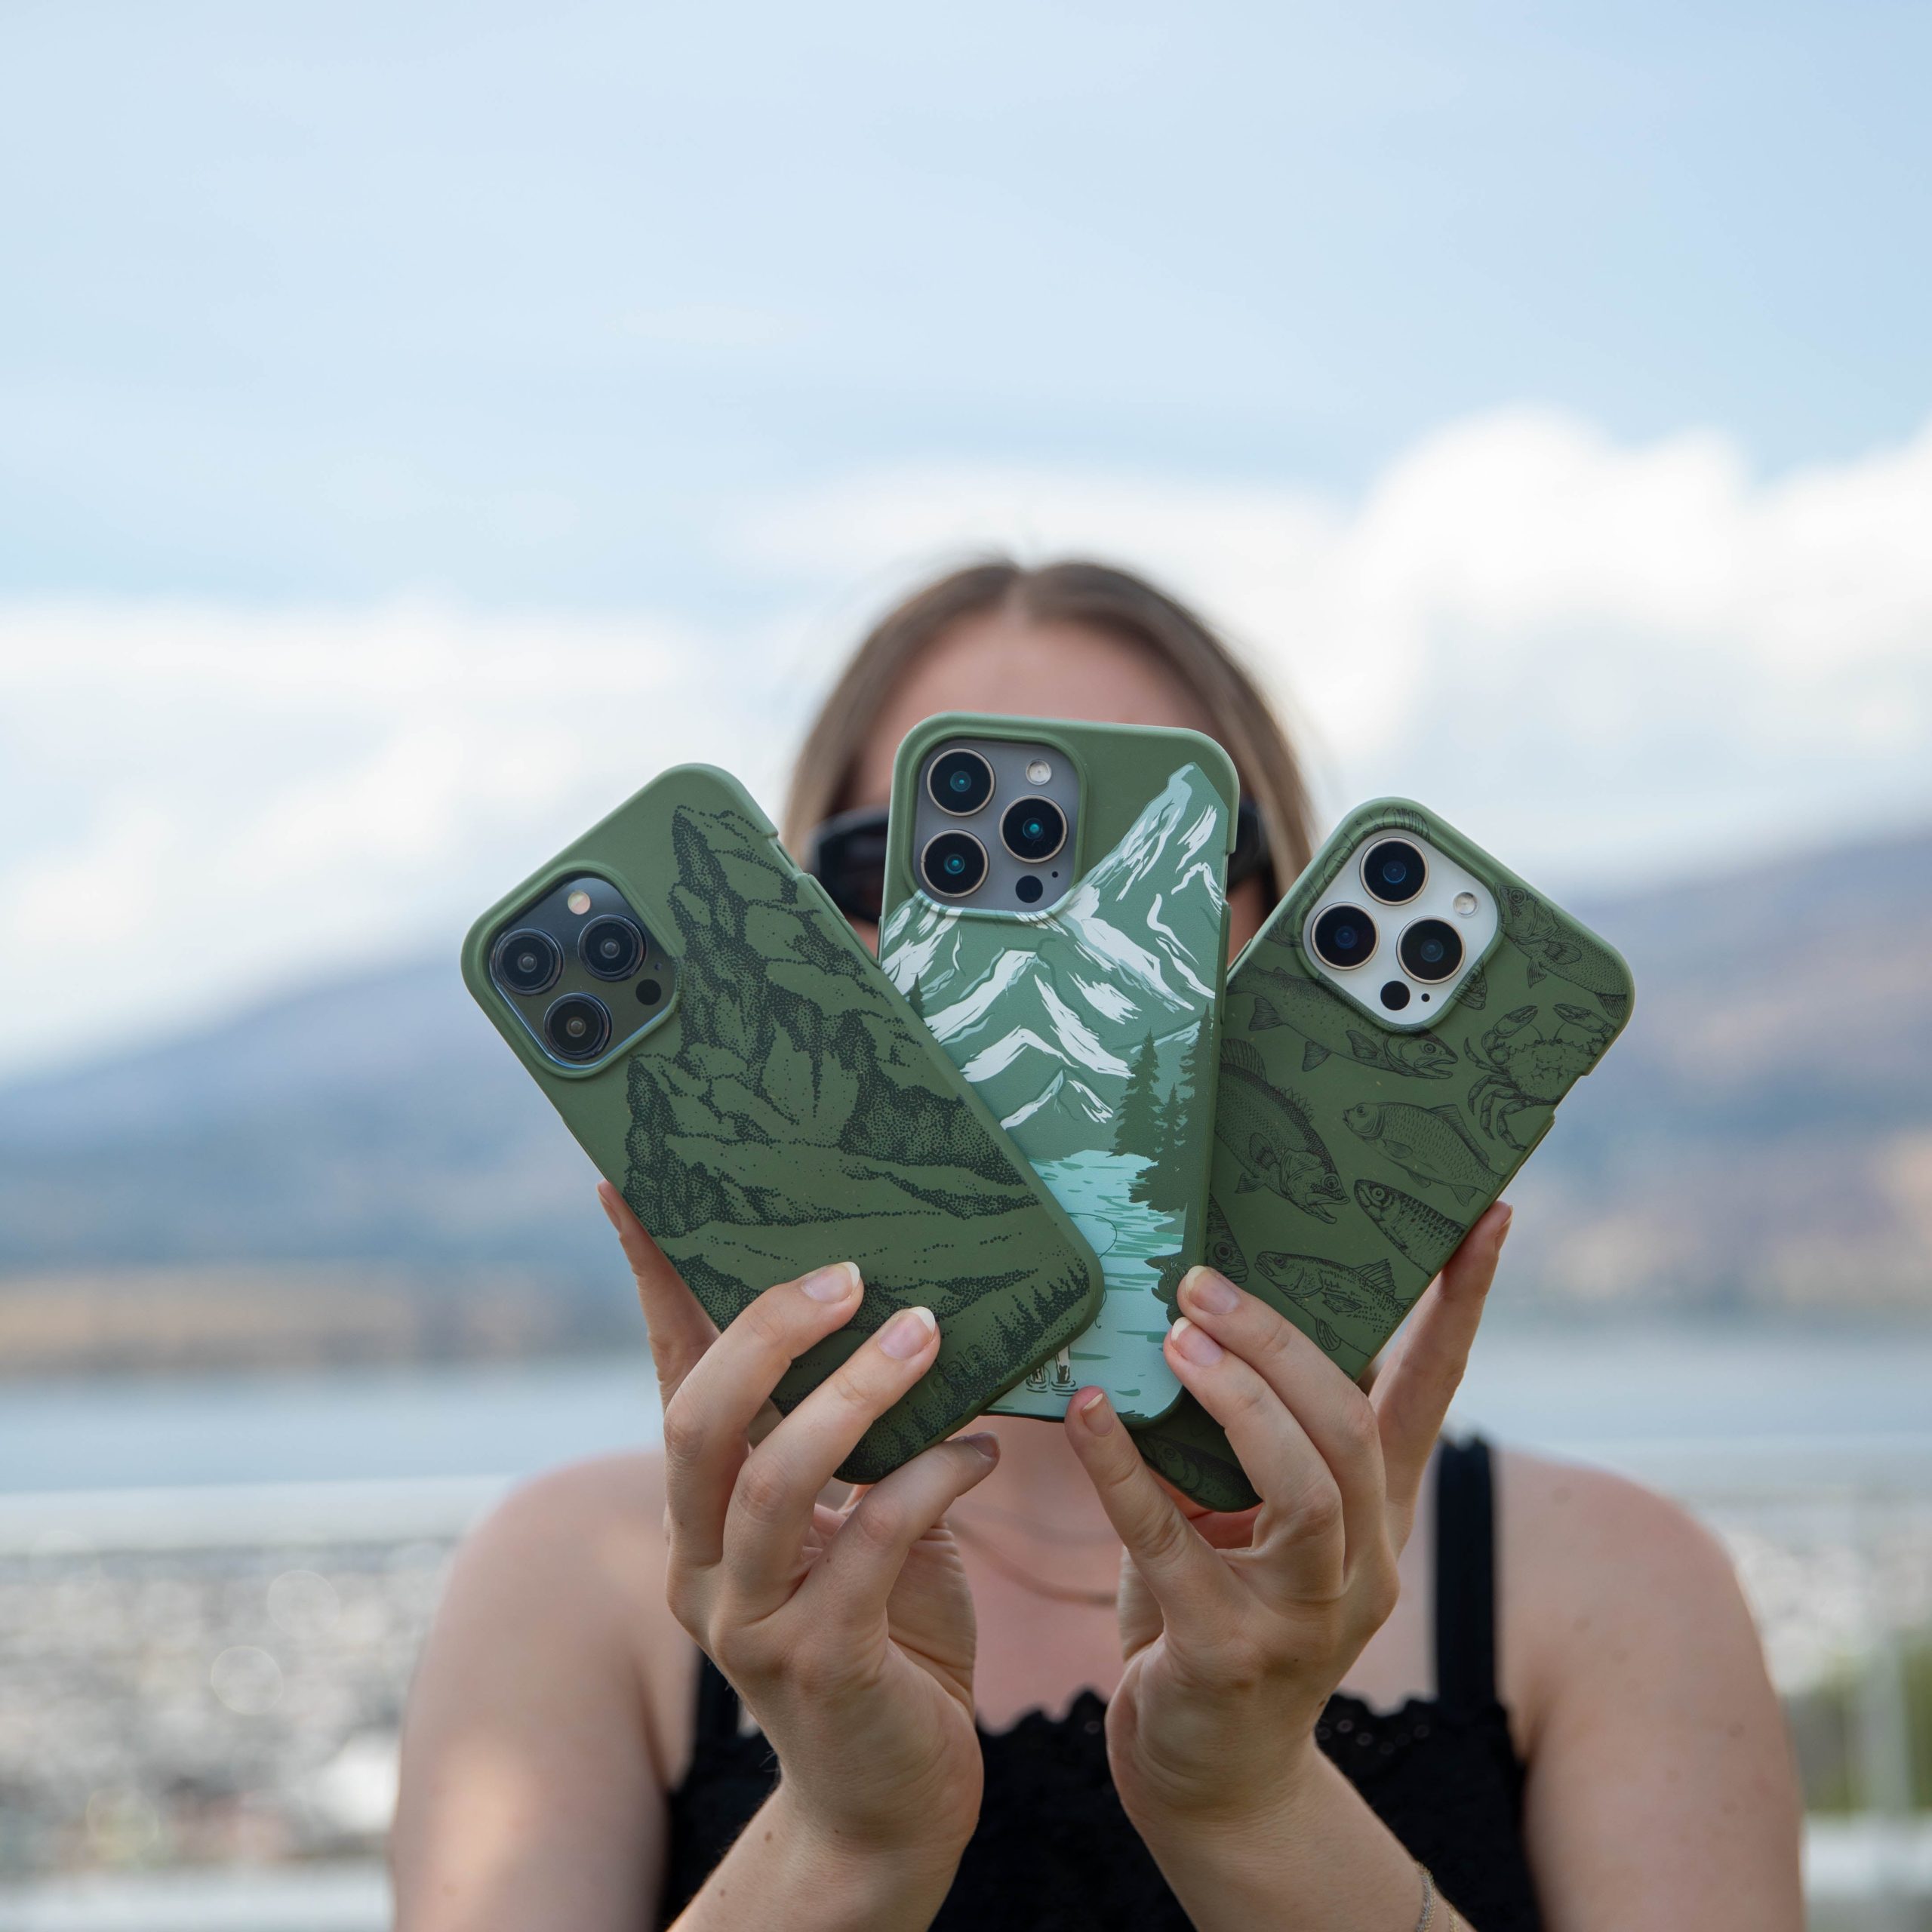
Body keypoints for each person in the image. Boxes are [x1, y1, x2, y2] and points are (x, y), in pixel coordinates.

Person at [391, 561, 1802, 1930]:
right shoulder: (569, 1586)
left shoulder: (1618, 1585)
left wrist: (1254, 1809)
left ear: (1279, 921)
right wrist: (841, 1839)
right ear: (804, 939)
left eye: (1157, 847)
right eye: (908, 855)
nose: (1044, 927)